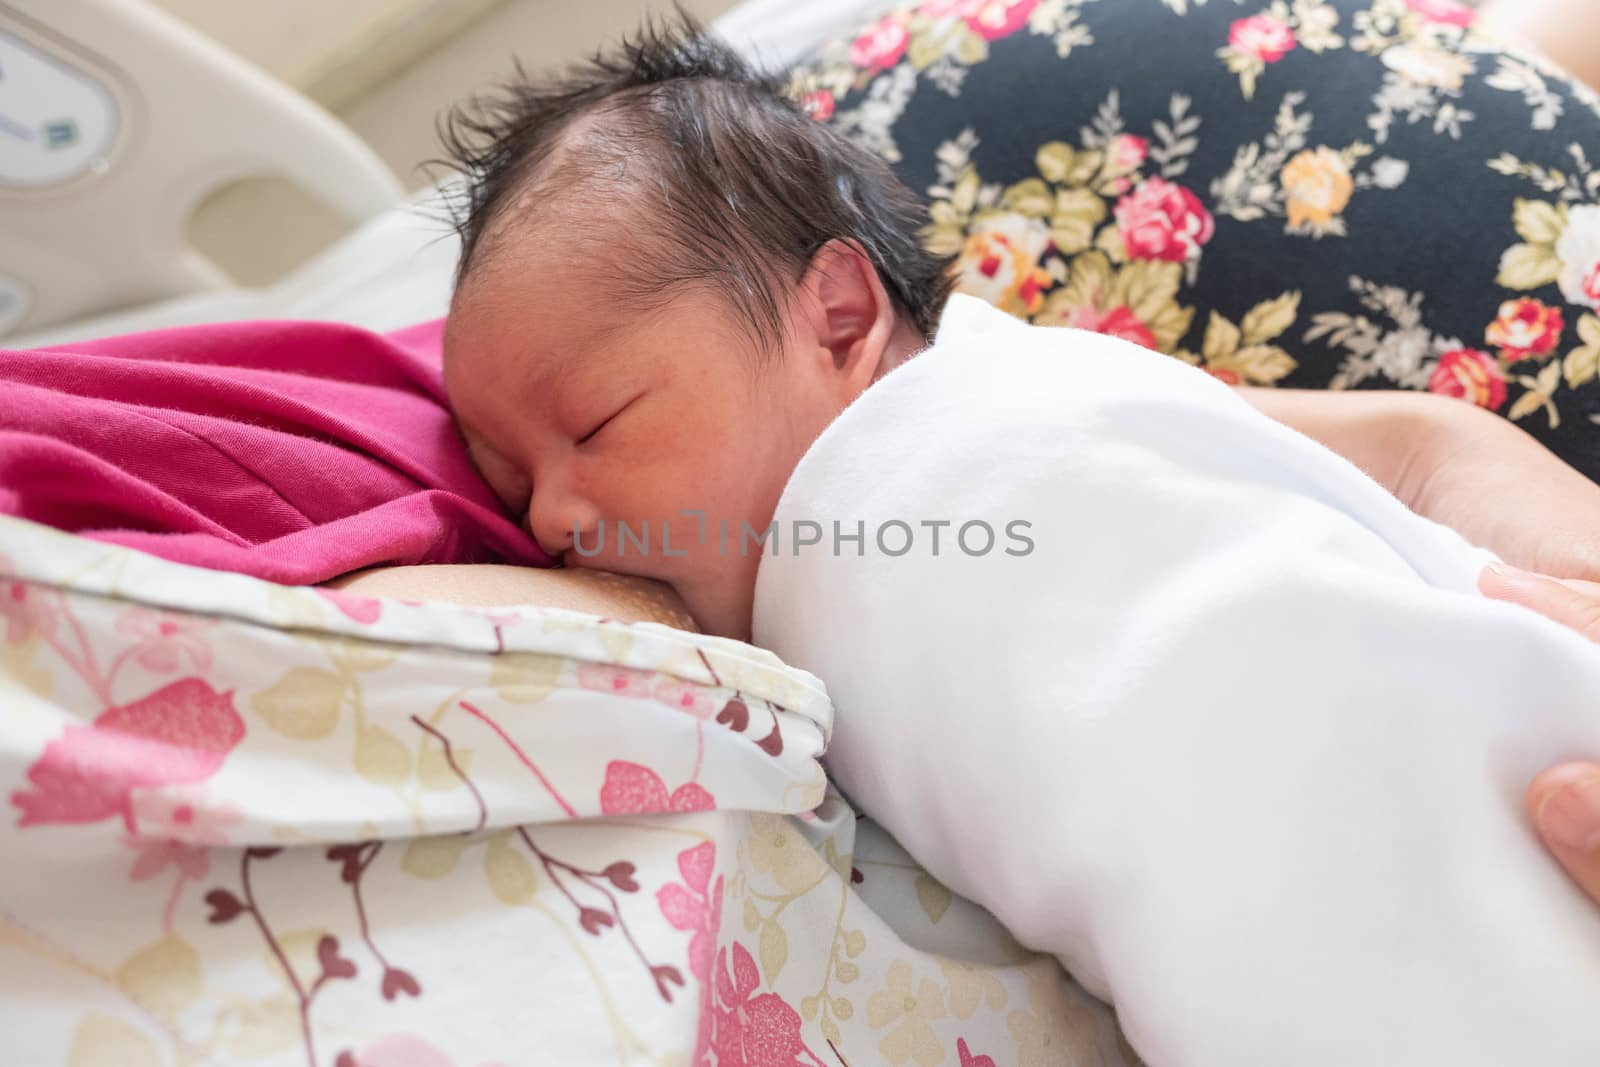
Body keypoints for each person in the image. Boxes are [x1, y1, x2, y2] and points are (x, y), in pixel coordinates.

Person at [434, 23, 1600, 1062]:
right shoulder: (756, 630)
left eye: (593, 425)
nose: (547, 519)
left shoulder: (1005, 395)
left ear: (836, 317)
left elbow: (1396, 461)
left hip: (1492, 759)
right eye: (514, 481)